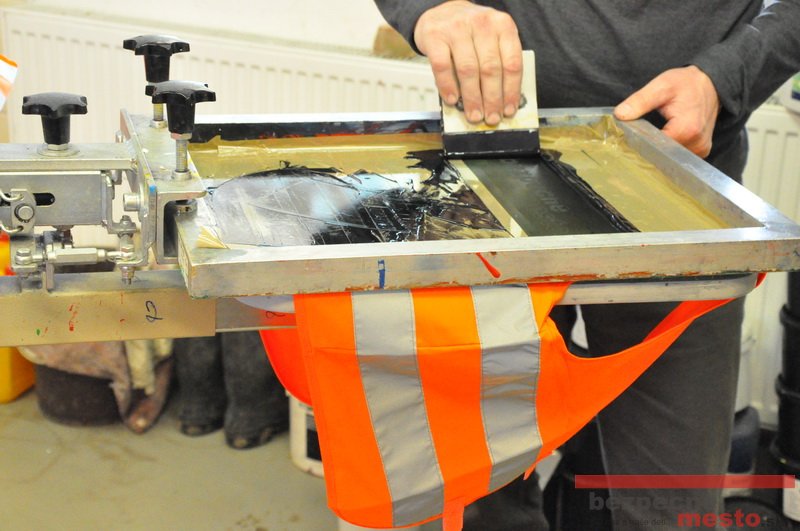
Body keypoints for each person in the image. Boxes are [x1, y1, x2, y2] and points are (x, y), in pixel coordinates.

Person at [372, 1, 800, 530]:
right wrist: (430, 7)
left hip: (680, 194)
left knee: (670, 508)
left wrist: (726, 77)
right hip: (486, 171)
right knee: (480, 494)